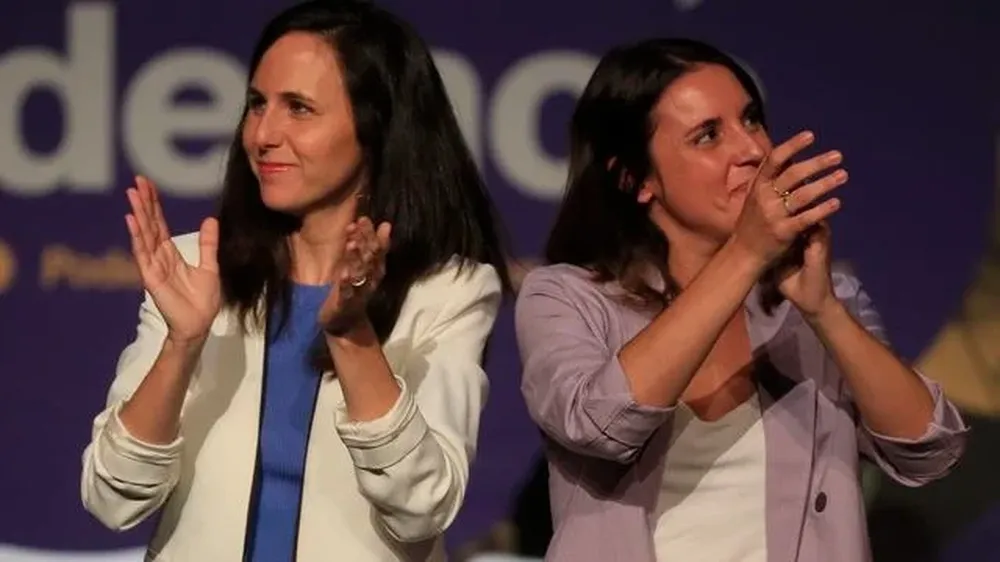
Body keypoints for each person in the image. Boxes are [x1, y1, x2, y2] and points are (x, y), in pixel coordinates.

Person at [80, 1, 510, 560]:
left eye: (299, 108)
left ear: (375, 126)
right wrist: (181, 344)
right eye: (257, 104)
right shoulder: (197, 269)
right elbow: (113, 498)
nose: (263, 134)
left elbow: (421, 506)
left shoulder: (448, 290)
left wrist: (353, 335)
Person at [514, 38, 969, 562]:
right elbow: (601, 425)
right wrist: (747, 252)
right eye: (708, 136)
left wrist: (824, 312)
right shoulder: (567, 297)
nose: (752, 150)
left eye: (751, 120)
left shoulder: (820, 300)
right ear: (635, 179)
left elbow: (930, 452)